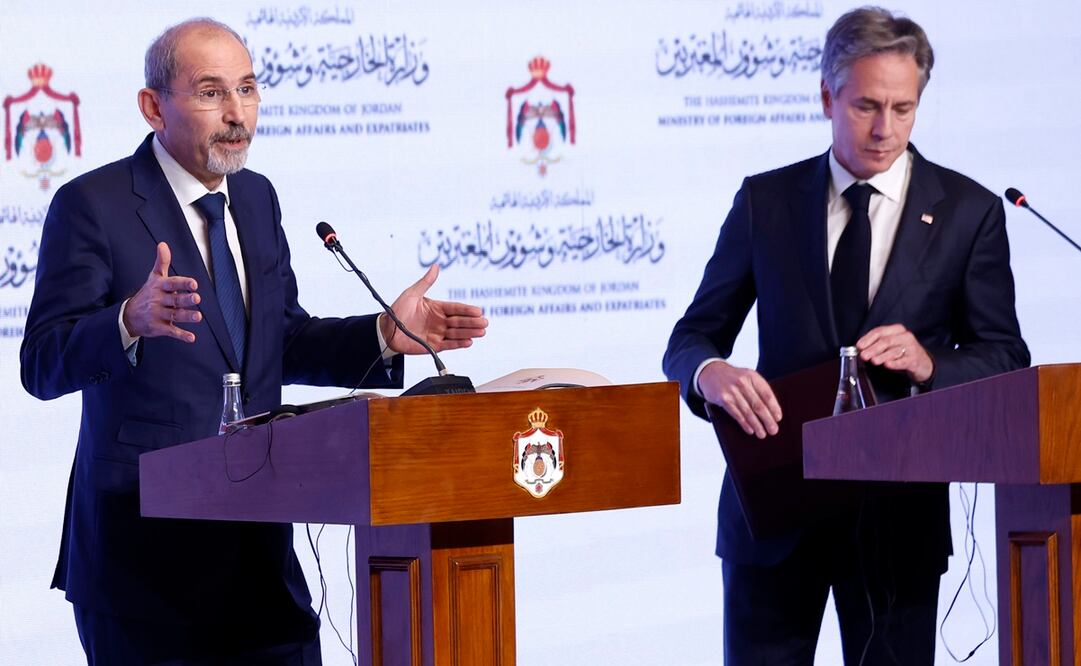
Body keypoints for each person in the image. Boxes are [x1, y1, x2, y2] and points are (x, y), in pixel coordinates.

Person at [19, 17, 488, 666]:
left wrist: (384, 334)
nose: (237, 113)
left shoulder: (257, 199)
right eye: (211, 93)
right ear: (153, 106)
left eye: (247, 89)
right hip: (142, 567)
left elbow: (280, 342)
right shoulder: (92, 205)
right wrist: (126, 319)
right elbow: (41, 363)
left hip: (260, 563)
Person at [663, 6, 1028, 665]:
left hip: (899, 518)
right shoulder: (764, 203)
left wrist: (928, 365)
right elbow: (691, 336)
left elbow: (1004, 358)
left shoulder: (969, 212)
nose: (884, 129)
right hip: (772, 509)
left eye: (902, 107)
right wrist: (708, 373)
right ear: (826, 95)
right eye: (864, 105)